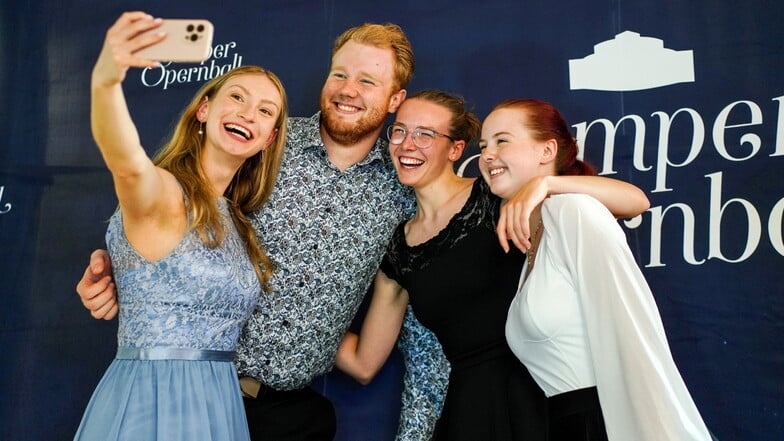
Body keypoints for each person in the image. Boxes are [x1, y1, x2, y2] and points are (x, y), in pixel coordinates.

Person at [78, 21, 448, 441]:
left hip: (291, 414)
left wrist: (539, 190)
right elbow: (166, 203)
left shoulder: (404, 186)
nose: (349, 89)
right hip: (199, 391)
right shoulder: (262, 146)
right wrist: (121, 268)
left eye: (368, 80)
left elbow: (430, 281)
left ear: (395, 98)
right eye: (340, 74)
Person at [336, 90, 650, 440]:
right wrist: (290, 323)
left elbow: (634, 201)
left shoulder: (500, 193)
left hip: (541, 398)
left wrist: (545, 185)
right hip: (471, 410)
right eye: (399, 131)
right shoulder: (400, 248)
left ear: (455, 149)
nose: (408, 144)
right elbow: (364, 364)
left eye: (425, 134)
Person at [75, 12, 287, 441]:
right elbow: (128, 166)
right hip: (150, 403)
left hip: (220, 405)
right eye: (237, 98)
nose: (248, 114)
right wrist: (105, 81)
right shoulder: (165, 192)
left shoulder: (237, 220)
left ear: (268, 139)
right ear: (204, 110)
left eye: (265, 110)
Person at [478, 98, 713, 440]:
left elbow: (635, 339)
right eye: (483, 145)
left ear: (546, 151)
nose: (486, 155)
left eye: (502, 141)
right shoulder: (537, 236)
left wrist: (547, 184)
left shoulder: (572, 212)